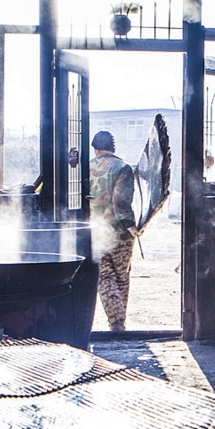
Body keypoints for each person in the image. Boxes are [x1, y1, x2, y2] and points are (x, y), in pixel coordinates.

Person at [89, 130, 139, 332]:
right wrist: (132, 227)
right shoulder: (123, 168)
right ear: (113, 148)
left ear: (95, 149)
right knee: (121, 276)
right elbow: (121, 203)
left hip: (94, 231)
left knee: (104, 276)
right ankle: (119, 321)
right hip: (120, 233)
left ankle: (115, 320)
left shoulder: (86, 168)